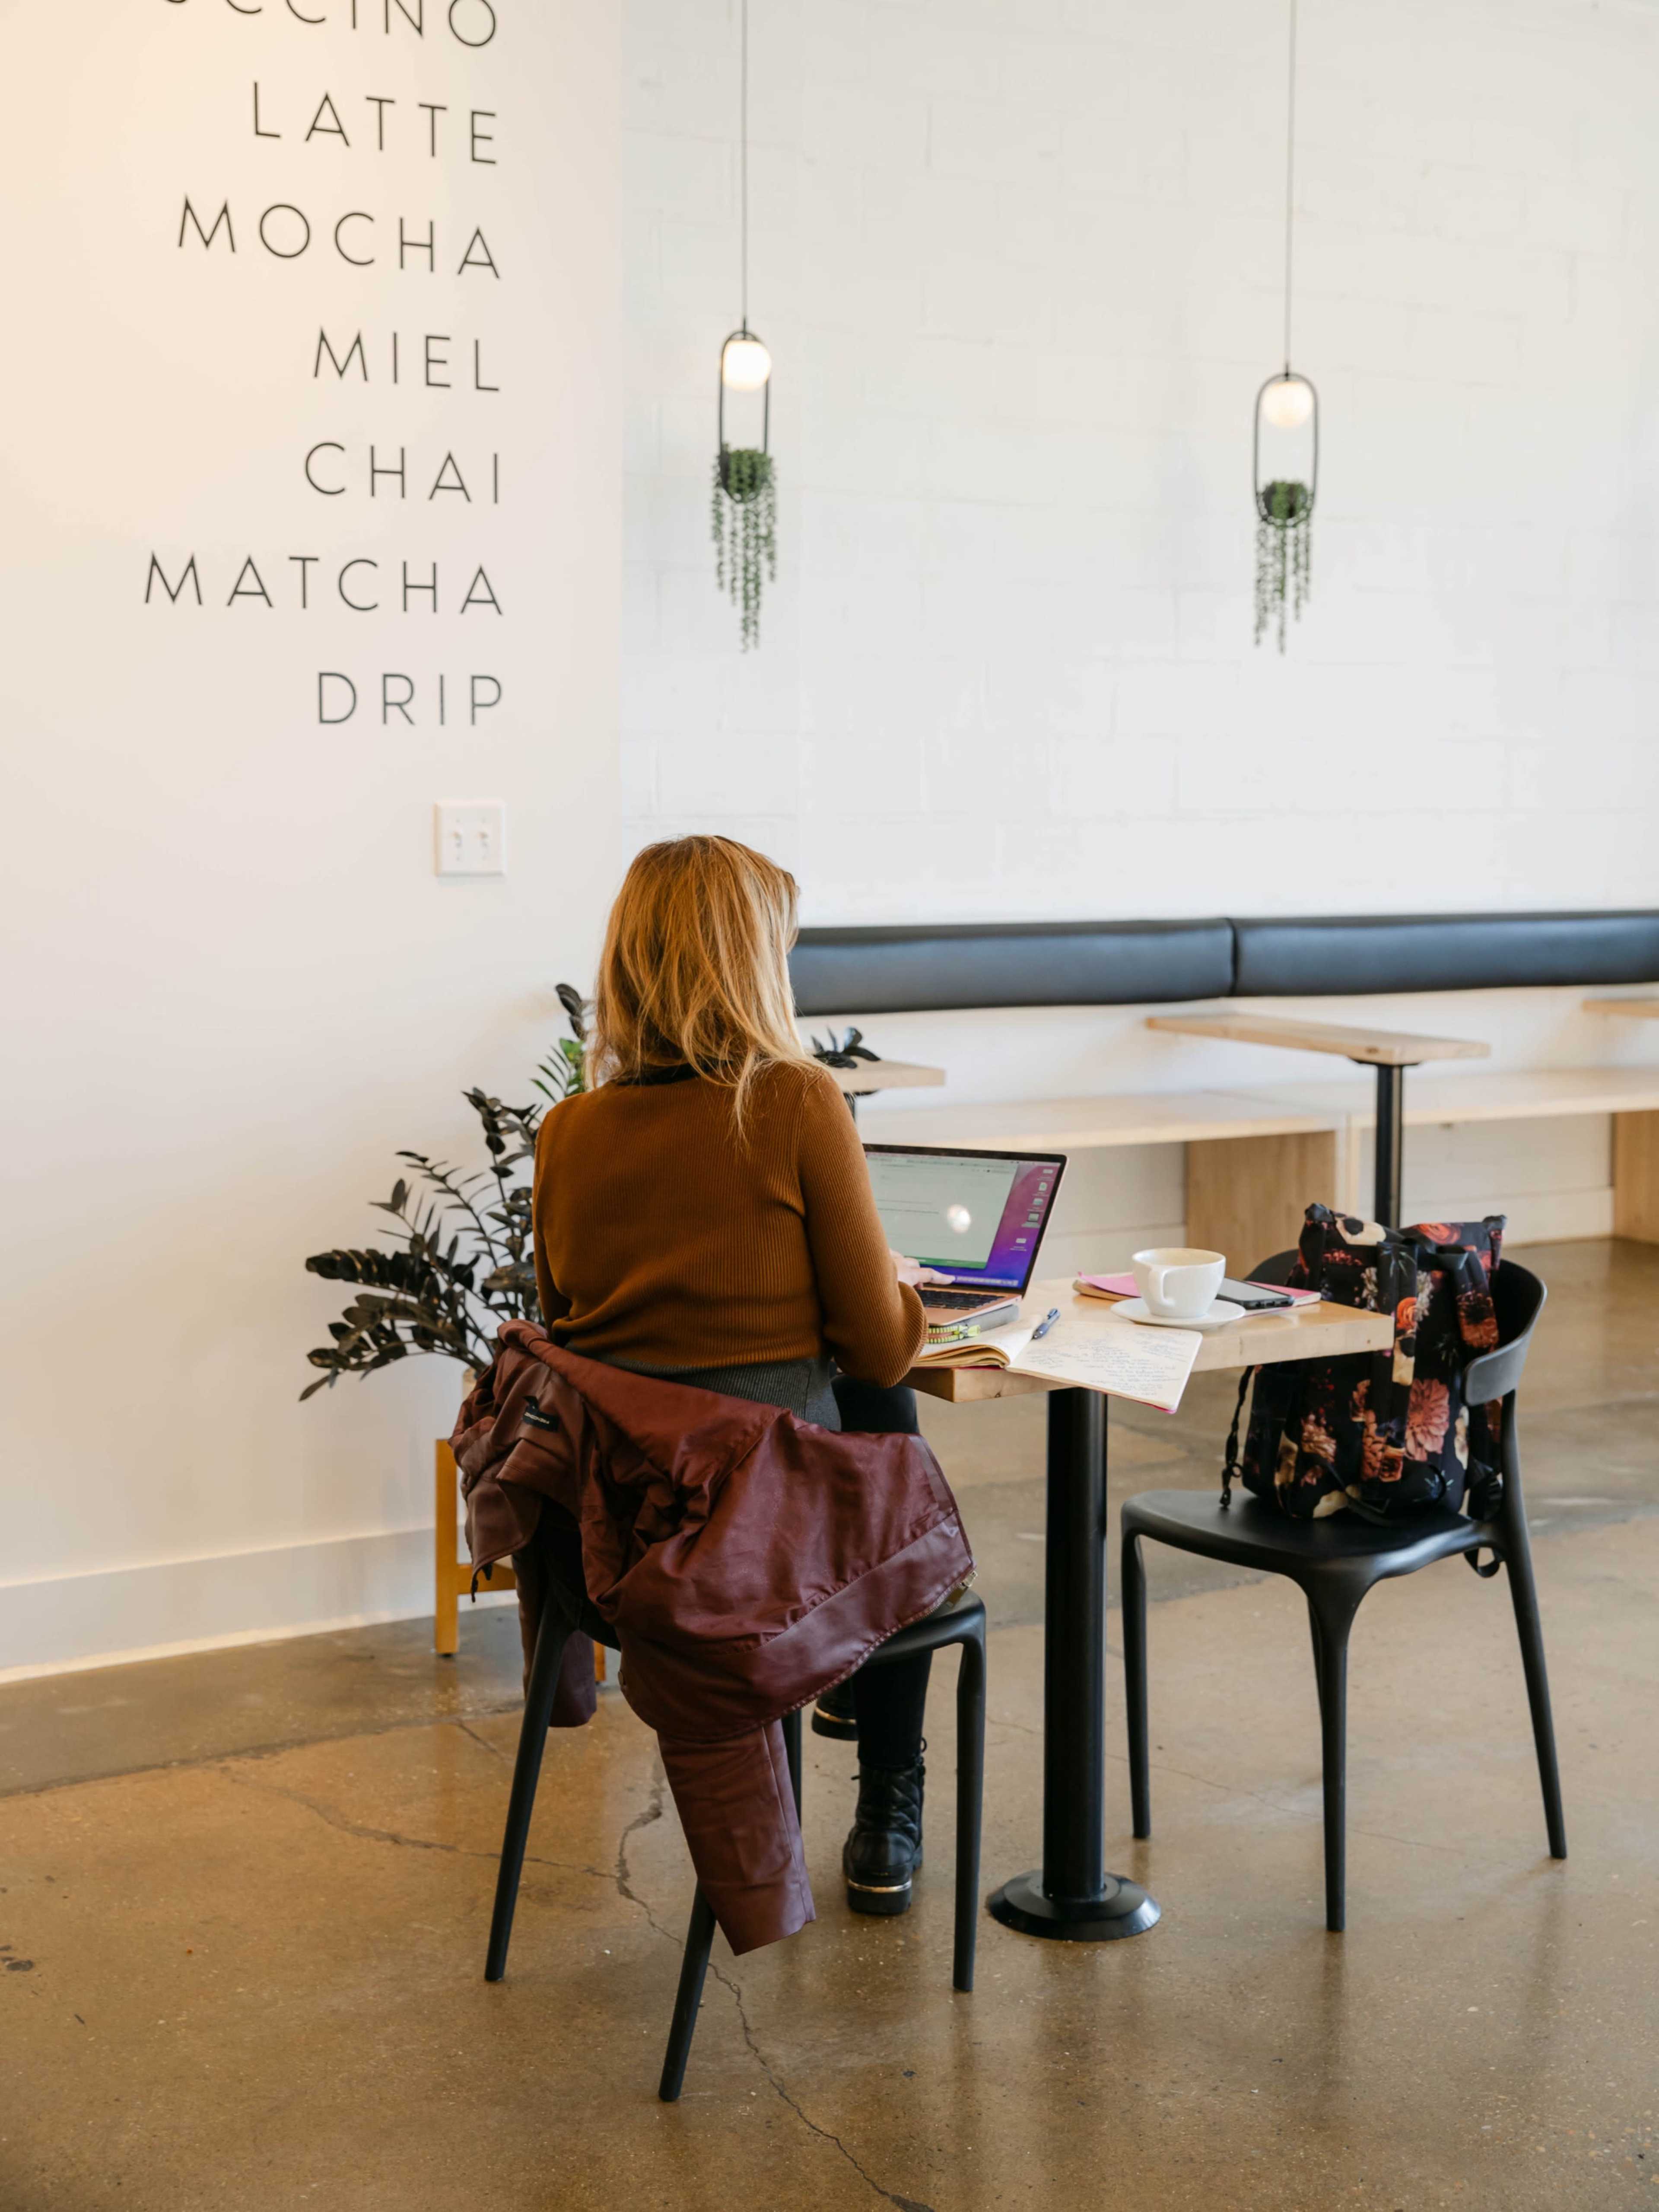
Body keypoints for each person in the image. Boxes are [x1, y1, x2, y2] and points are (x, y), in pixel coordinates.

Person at [532, 834, 938, 1917]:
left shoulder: (565, 1131)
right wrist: (885, 1278)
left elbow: (563, 1331)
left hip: (623, 1550)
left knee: (862, 1419)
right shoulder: (798, 1104)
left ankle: (851, 1692)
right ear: (750, 961)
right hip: (762, 1552)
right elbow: (885, 1345)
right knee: (887, 1417)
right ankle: (890, 1791)